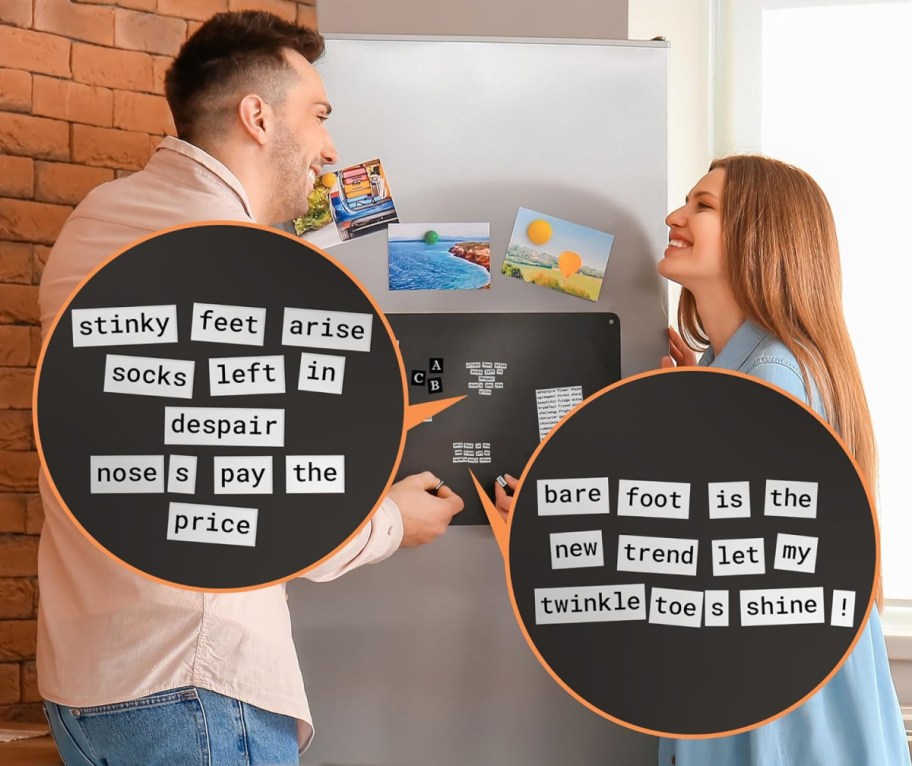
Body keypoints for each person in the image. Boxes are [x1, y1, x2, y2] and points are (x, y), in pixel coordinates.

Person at [37, 12, 463, 765]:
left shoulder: (98, 220)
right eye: (321, 116)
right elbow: (274, 510)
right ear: (258, 117)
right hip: (194, 680)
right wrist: (396, 519)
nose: (332, 149)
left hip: (84, 685)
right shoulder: (237, 261)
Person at [656, 154, 908, 765]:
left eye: (702, 205)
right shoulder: (752, 369)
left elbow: (729, 560)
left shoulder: (769, 376)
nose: (674, 215)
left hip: (767, 709)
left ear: (760, 235)